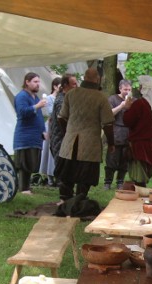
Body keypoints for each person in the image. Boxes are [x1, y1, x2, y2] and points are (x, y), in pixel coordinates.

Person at [54, 68, 115, 203]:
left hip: (70, 142)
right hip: (90, 143)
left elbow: (61, 118)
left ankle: (65, 200)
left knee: (67, 174)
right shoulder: (101, 97)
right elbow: (108, 124)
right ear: (97, 79)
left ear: (84, 78)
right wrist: (111, 143)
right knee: (85, 176)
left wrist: (68, 132)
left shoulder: (71, 94)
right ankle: (79, 201)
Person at [122, 75, 152, 189]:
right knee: (142, 177)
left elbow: (127, 121)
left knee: (139, 180)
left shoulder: (140, 104)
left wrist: (127, 108)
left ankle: (141, 202)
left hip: (139, 146)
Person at [12, 72, 47, 195]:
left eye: (38, 82)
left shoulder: (35, 97)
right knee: (24, 163)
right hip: (24, 136)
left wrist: (43, 131)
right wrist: (36, 106)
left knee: (31, 162)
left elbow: (39, 116)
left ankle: (26, 187)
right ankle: (23, 188)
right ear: (27, 82)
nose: (38, 84)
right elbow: (22, 112)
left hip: (34, 136)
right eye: (35, 82)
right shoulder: (22, 96)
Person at [103, 79, 133, 190]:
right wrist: (121, 106)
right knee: (111, 160)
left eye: (129, 89)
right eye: (125, 89)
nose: (127, 91)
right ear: (120, 89)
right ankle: (108, 182)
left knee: (124, 161)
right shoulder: (112, 99)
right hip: (115, 133)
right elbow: (108, 114)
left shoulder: (133, 100)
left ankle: (120, 182)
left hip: (127, 134)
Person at [36, 76, 61, 187]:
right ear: (55, 86)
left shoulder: (62, 98)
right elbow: (50, 112)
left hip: (58, 127)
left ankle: (57, 176)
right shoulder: (50, 98)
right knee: (49, 152)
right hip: (51, 127)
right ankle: (50, 177)